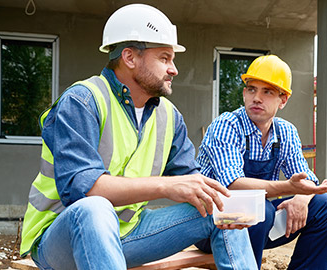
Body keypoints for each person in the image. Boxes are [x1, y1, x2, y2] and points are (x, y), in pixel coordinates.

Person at [19, 4, 258, 270]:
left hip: (129, 235)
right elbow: (85, 191)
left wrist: (236, 204)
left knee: (223, 209)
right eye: (164, 58)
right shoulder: (82, 101)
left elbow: (193, 183)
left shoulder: (169, 115)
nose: (174, 69)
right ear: (130, 58)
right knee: (94, 208)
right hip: (61, 241)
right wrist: (166, 186)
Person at [196, 55, 327, 269]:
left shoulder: (286, 131)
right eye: (252, 89)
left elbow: (308, 179)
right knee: (259, 210)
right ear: (244, 93)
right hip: (212, 223)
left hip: (258, 224)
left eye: (268, 92)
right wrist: (288, 188)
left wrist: (302, 198)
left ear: (283, 100)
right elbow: (233, 184)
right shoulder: (226, 126)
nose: (257, 98)